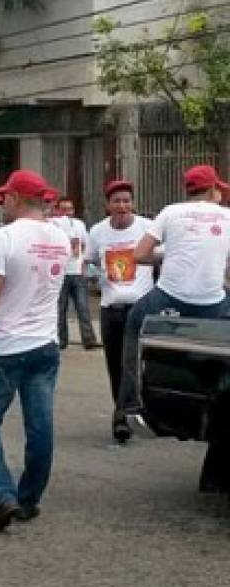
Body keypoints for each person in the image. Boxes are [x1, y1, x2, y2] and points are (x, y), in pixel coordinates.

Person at [0, 170, 70, 532]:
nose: (2, 203)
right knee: (40, 425)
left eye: (6, 197)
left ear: (15, 200)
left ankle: (2, 495)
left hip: (3, 347)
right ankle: (28, 498)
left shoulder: (3, 238)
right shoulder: (62, 238)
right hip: (44, 344)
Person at [117, 165, 230, 430]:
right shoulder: (228, 216)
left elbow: (139, 255)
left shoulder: (170, 212)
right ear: (213, 190)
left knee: (134, 325)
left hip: (169, 298)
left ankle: (130, 405)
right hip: (214, 303)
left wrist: (171, 255)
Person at [86, 179, 154, 443]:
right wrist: (95, 276)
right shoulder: (98, 232)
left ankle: (122, 414)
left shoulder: (147, 229)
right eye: (117, 201)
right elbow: (89, 261)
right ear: (108, 205)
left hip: (139, 308)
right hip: (109, 308)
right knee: (114, 364)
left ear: (133, 203)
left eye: (126, 200)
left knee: (130, 363)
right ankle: (124, 410)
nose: (122, 206)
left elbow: (161, 258)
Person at [53, 197, 99, 350]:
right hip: (61, 272)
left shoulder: (79, 224)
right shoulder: (54, 224)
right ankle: (61, 339)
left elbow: (86, 242)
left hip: (77, 271)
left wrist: (84, 261)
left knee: (83, 307)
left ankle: (88, 339)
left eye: (70, 209)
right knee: (60, 308)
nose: (67, 213)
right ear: (58, 210)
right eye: (63, 209)